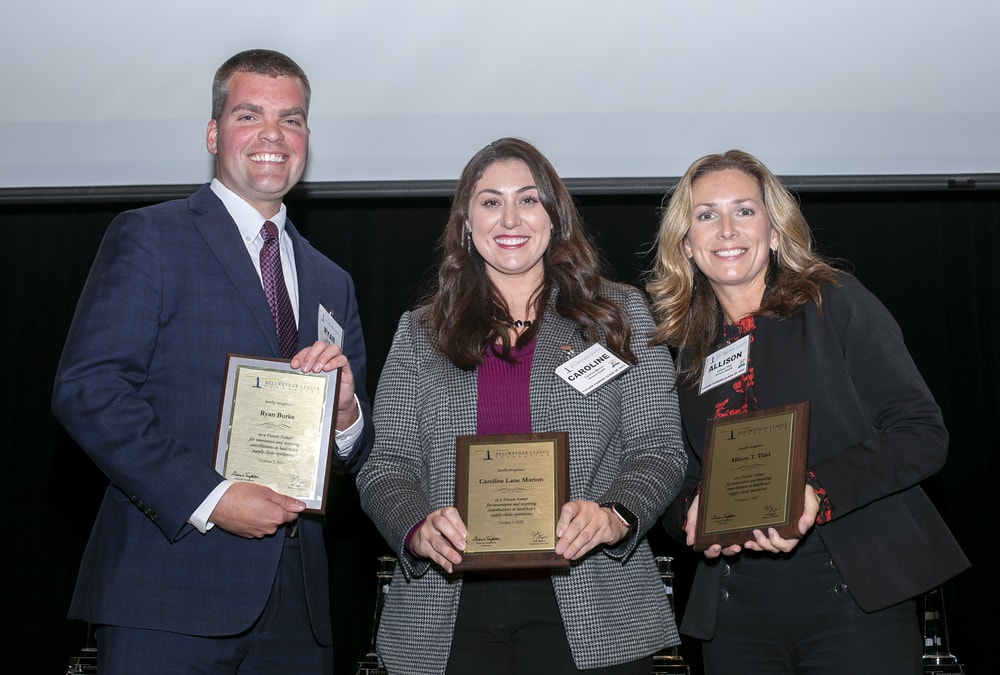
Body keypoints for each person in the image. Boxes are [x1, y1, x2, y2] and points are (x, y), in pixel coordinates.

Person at [52, 49, 373, 673]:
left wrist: (346, 412)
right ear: (213, 133)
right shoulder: (151, 236)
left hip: (297, 612)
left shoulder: (333, 281)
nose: (274, 135)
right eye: (250, 115)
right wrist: (212, 497)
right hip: (170, 590)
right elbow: (90, 390)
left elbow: (352, 453)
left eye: (293, 119)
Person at [356, 137, 686, 675]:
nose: (510, 217)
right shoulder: (419, 333)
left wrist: (615, 516)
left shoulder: (617, 314)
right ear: (466, 221)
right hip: (450, 604)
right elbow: (386, 465)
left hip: (591, 597)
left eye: (528, 200)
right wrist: (417, 526)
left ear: (554, 216)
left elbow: (658, 449)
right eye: (490, 201)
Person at [647, 149, 969, 673]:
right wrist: (689, 512)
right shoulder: (686, 350)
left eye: (744, 211)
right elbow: (679, 473)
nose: (726, 229)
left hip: (853, 595)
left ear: (775, 232)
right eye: (706, 215)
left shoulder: (832, 303)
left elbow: (921, 434)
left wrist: (816, 490)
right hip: (735, 613)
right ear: (686, 244)